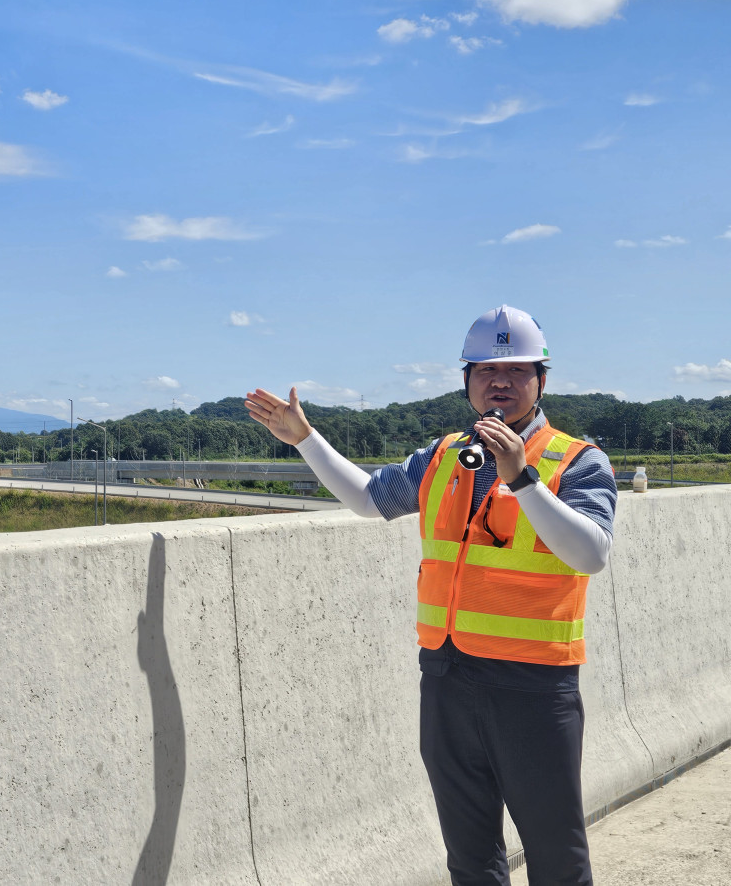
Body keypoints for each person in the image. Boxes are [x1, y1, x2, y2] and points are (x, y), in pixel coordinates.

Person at [245, 305, 617, 886]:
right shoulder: (445, 457)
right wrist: (306, 439)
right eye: (486, 369)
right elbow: (370, 499)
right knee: (470, 855)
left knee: (555, 855)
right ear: (466, 380)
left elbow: (590, 553)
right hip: (447, 677)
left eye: (517, 370)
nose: (500, 381)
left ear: (541, 381)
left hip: (534, 686)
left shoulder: (576, 460)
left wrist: (522, 479)